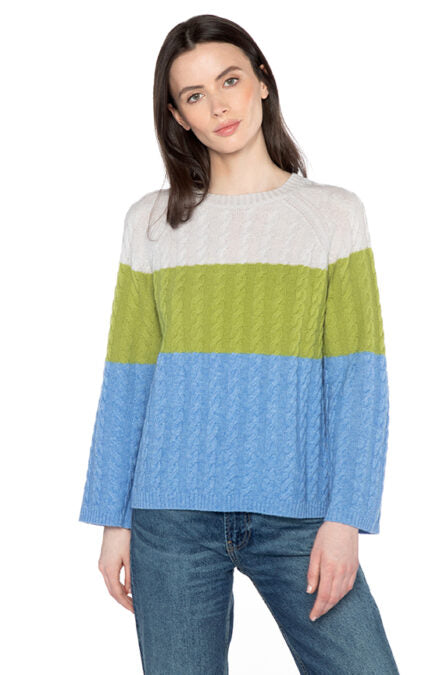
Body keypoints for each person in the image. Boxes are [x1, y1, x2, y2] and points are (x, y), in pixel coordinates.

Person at [79, 13, 399, 675]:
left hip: (299, 512)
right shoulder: (150, 222)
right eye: (195, 95)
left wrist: (347, 517)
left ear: (262, 81)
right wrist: (114, 520)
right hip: (170, 515)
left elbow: (358, 379)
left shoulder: (334, 214)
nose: (219, 105)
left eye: (229, 80)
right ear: (178, 117)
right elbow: (129, 376)